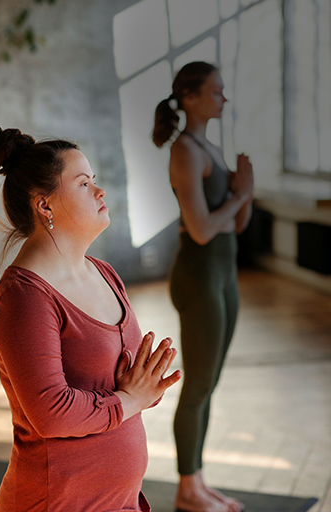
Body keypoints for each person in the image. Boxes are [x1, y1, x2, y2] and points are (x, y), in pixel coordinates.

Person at [0, 126, 182, 512]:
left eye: (95, 181)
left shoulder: (104, 273)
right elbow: (51, 413)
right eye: (84, 183)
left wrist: (138, 394)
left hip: (119, 500)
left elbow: (135, 388)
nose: (100, 191)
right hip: (56, 502)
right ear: (45, 205)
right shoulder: (24, 297)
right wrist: (128, 399)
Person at [152, 62, 253, 512]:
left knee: (208, 385)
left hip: (223, 274)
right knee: (196, 387)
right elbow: (200, 230)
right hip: (198, 278)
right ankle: (187, 489)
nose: (223, 99)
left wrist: (246, 192)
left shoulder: (209, 147)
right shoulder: (185, 151)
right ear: (190, 96)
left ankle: (198, 481)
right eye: (215, 91)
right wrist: (238, 194)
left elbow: (236, 224)